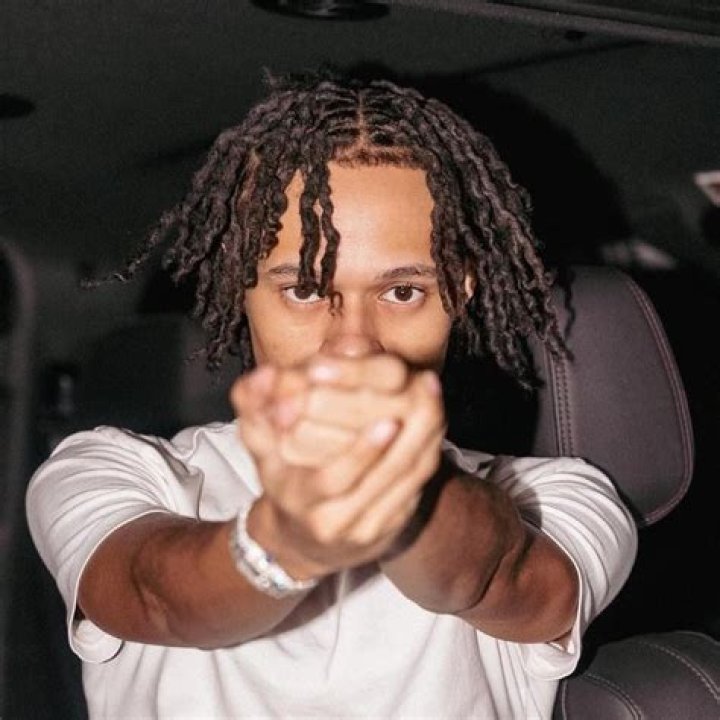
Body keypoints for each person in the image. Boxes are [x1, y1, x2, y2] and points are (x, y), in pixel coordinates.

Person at [26, 71, 637, 719]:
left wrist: (392, 492)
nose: (352, 344)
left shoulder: (561, 498)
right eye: (304, 290)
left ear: (457, 294)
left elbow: (497, 576)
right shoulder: (106, 470)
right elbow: (153, 596)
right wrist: (283, 543)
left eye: (402, 292)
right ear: (241, 287)